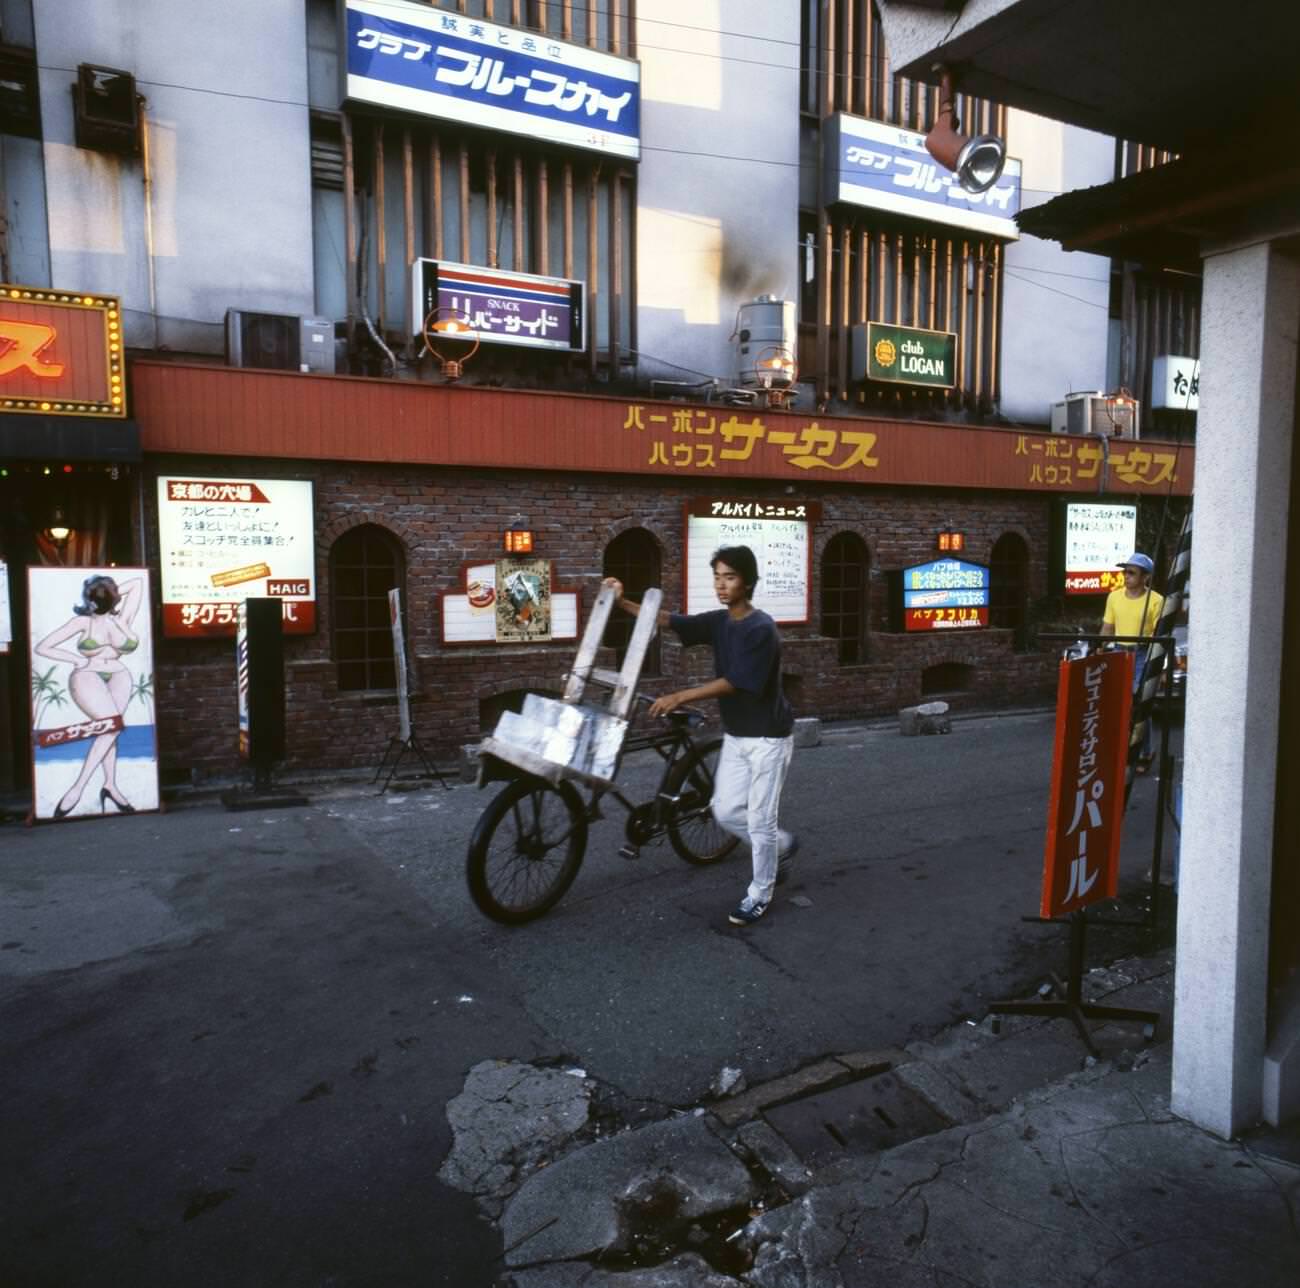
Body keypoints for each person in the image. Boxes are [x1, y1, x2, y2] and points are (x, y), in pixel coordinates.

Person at [603, 545, 797, 926]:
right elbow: (665, 620)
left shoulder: (761, 628)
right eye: (718, 576)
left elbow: (737, 682)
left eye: (730, 577)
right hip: (738, 735)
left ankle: (759, 894)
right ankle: (783, 845)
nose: (721, 585)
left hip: (769, 738)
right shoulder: (720, 621)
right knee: (724, 811)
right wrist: (621, 601)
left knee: (759, 819)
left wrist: (679, 695)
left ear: (748, 581)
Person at [33, 574, 144, 818]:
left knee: (110, 730)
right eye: (98, 597)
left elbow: (137, 583)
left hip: (119, 674)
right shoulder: (82, 623)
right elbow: (42, 647)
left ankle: (110, 785)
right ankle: (78, 788)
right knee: (111, 727)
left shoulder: (122, 618)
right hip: (88, 674)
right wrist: (75, 659)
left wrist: (106, 593)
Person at [1100, 552, 1164, 772]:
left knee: (1138, 703)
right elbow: (1108, 627)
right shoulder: (1114, 597)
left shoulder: (1155, 600)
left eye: (1131, 572)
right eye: (1125, 572)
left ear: (1145, 577)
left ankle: (1144, 751)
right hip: (1119, 652)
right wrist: (1099, 650)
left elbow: (1159, 633)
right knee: (1120, 704)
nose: (1126, 576)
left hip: (1142, 654)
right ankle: (1123, 750)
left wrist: (1158, 664)